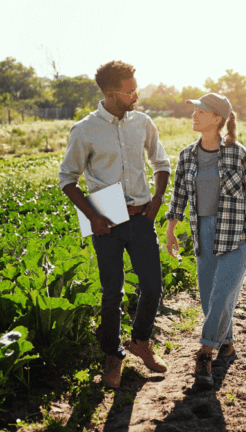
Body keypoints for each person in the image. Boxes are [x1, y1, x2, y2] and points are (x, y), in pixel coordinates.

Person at [59, 60, 171, 389]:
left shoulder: (143, 123)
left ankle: (141, 342)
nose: (137, 94)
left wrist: (157, 199)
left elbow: (161, 162)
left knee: (152, 286)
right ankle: (112, 356)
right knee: (112, 293)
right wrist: (93, 215)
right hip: (106, 218)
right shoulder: (84, 130)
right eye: (131, 90)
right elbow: (67, 179)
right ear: (111, 93)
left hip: (141, 218)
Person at [164, 93, 246, 390]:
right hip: (203, 233)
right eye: (194, 111)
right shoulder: (187, 155)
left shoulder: (238, 153)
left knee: (221, 295)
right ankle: (228, 345)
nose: (194, 116)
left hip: (237, 234)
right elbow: (178, 197)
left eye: (201, 111)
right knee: (209, 296)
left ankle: (205, 353)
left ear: (217, 119)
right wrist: (171, 229)